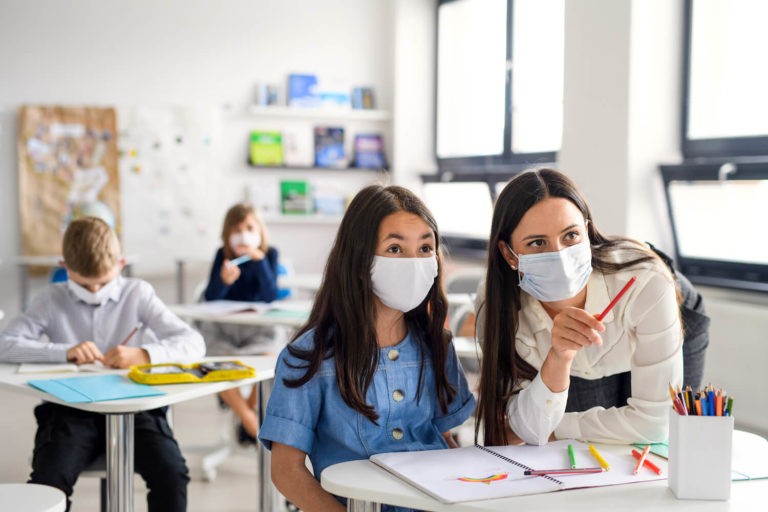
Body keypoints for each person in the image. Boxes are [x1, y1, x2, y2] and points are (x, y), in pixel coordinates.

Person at [259, 185, 476, 512]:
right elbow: (286, 471)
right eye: (395, 248)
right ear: (360, 260)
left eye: (425, 248)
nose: (414, 263)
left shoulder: (436, 345)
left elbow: (442, 438)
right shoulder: (308, 358)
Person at [0, 217, 204, 512]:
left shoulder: (138, 293)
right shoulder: (50, 298)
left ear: (121, 264)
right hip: (69, 410)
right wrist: (64, 352)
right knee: (48, 483)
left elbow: (193, 342)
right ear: (64, 268)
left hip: (137, 410)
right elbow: (5, 344)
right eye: (85, 284)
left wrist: (145, 354)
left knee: (172, 475)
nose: (95, 291)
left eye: (104, 282)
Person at [475, 168, 683, 447]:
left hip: (671, 308)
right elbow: (518, 429)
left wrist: (553, 428)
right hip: (577, 363)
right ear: (508, 254)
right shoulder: (496, 308)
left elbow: (655, 424)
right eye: (537, 243)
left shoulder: (646, 284)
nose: (559, 255)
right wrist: (558, 357)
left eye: (570, 236)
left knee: (665, 441)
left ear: (586, 232)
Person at [201, 203, 288, 444]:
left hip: (259, 330)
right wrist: (223, 281)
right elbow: (211, 297)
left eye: (250, 228)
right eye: (237, 230)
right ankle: (250, 420)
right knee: (215, 365)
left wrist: (259, 262)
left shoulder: (270, 254)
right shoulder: (223, 256)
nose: (243, 234)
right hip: (224, 331)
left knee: (270, 360)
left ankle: (250, 412)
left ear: (260, 231)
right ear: (227, 235)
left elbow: (270, 294)